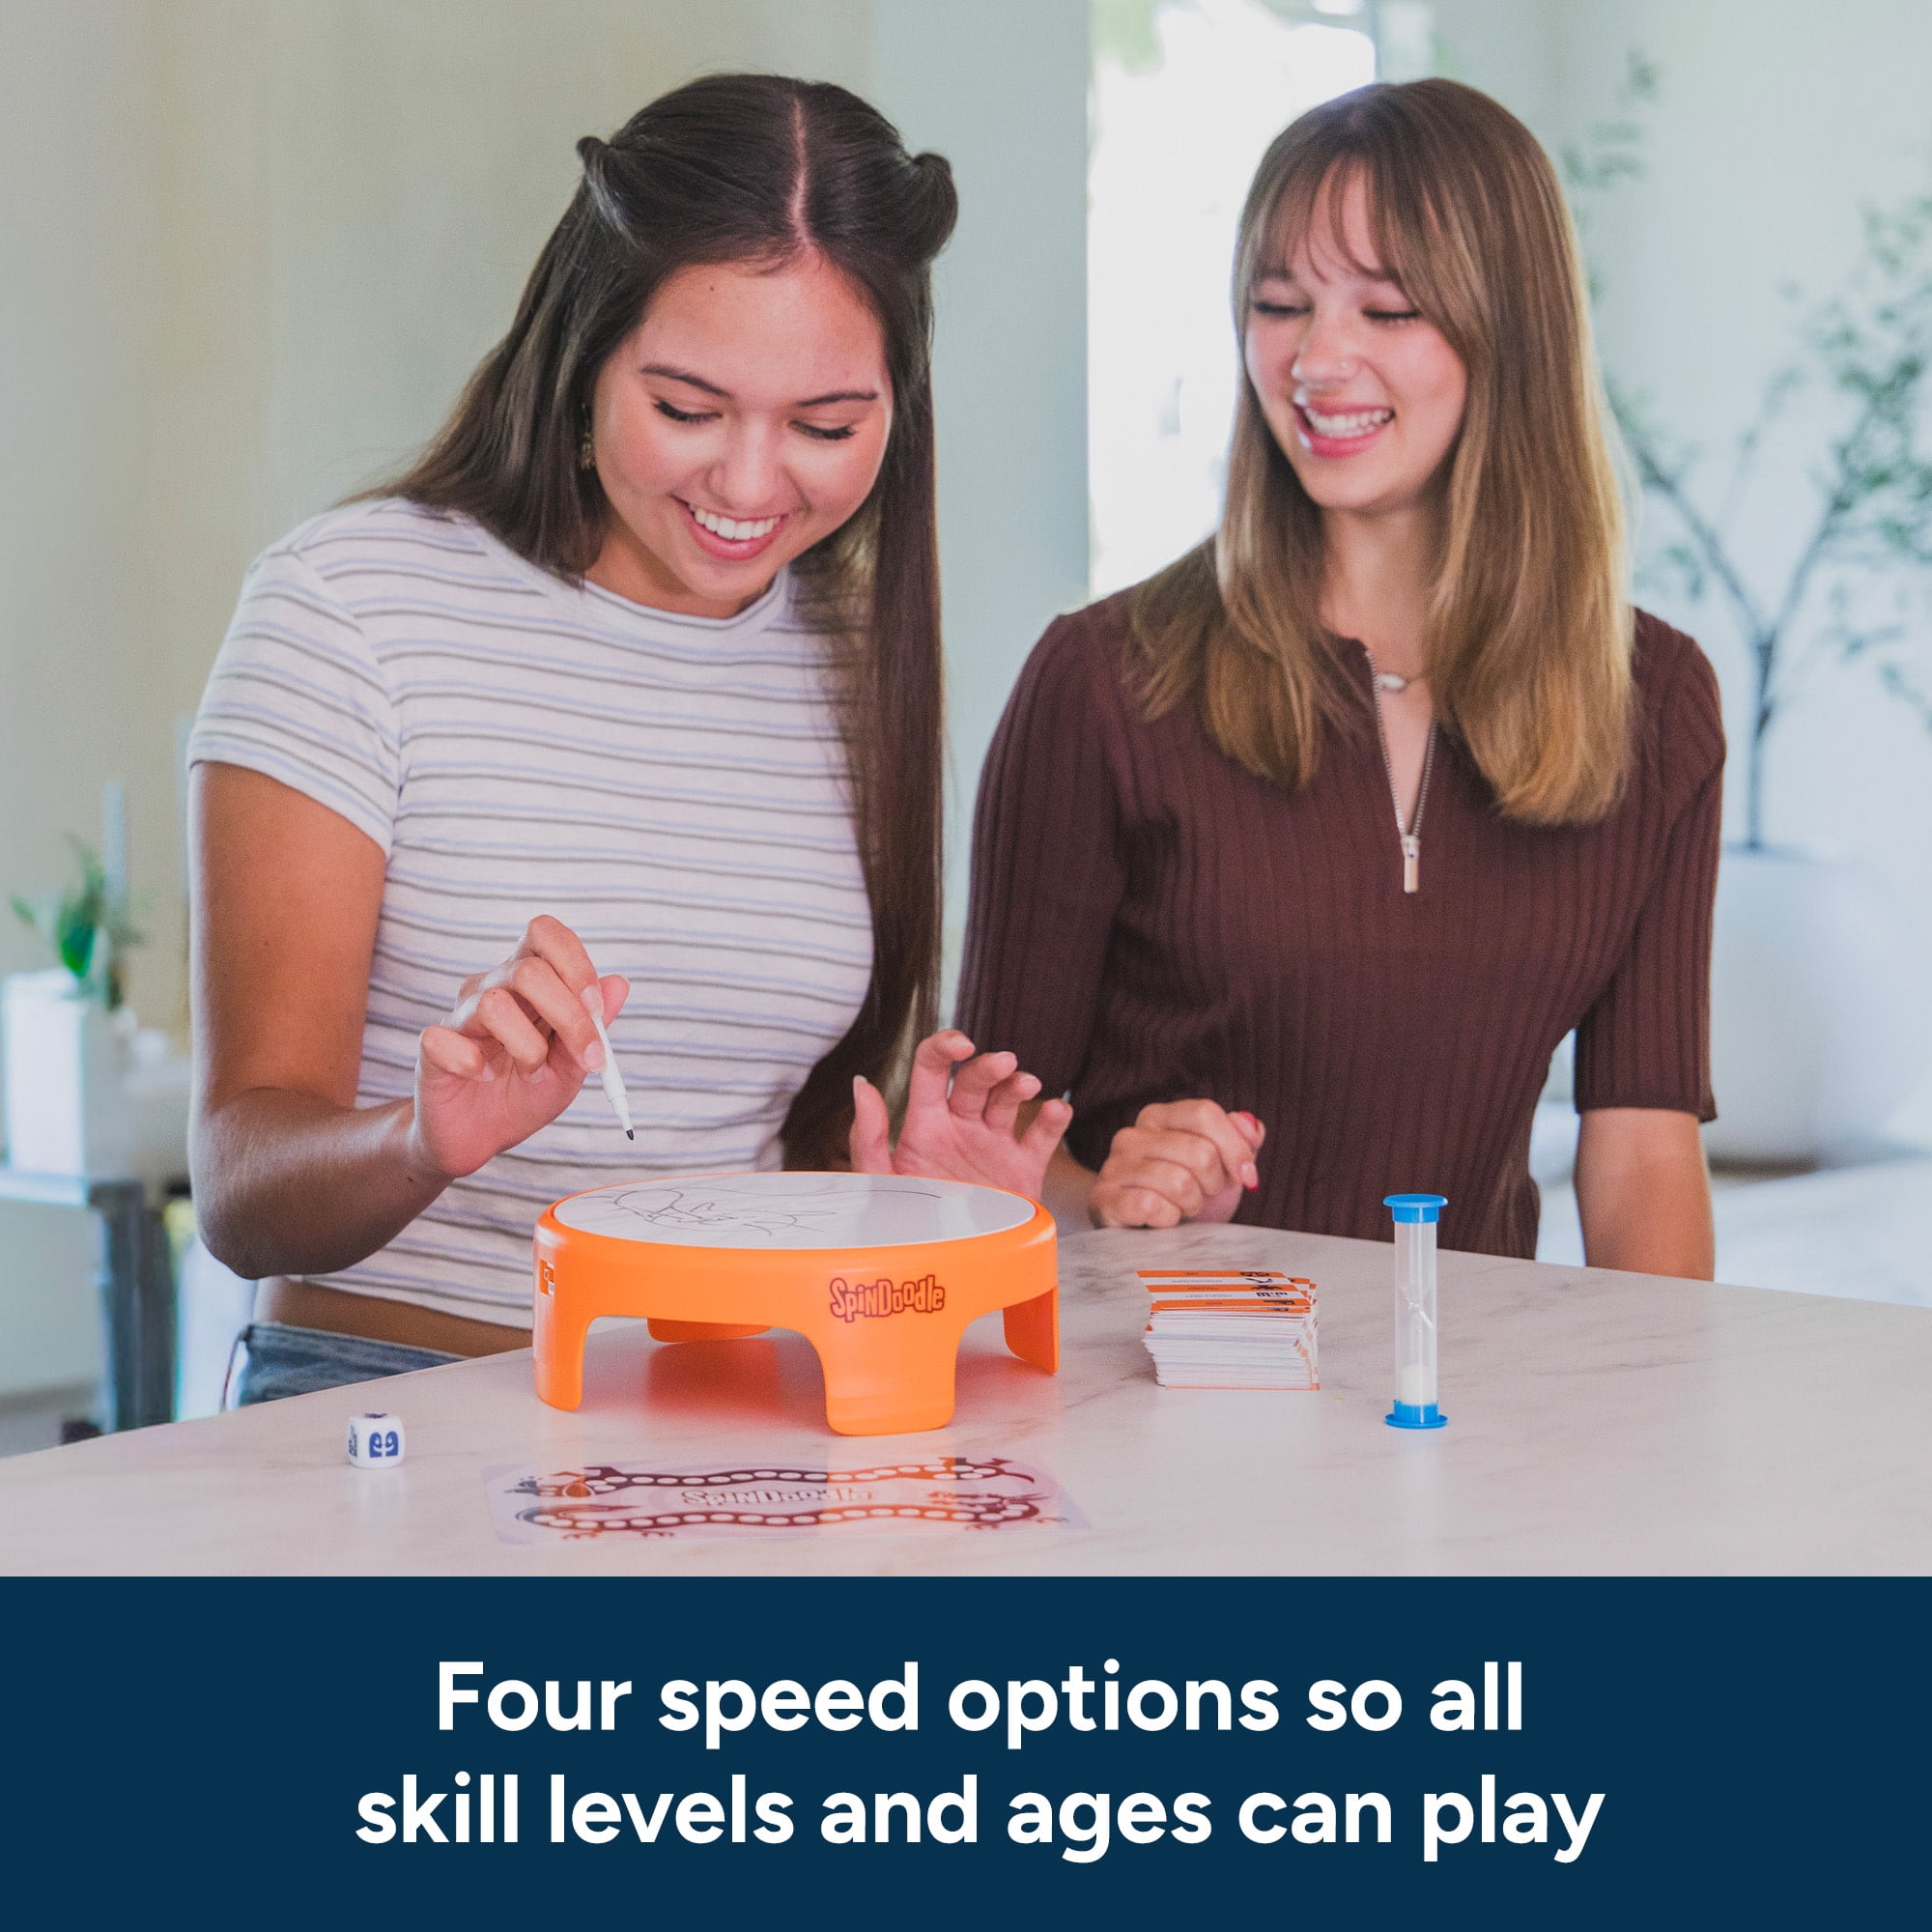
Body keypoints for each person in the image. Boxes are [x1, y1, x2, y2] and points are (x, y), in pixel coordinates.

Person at [188, 74, 1068, 1403]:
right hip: (389, 1396)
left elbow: (758, 1160)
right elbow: (241, 1193)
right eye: (687, 409)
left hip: (738, 1412)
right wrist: (424, 1139)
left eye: (826, 426)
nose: (751, 484)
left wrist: (919, 1213)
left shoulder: (852, 652)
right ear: (581, 361)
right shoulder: (349, 606)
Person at [958, 79, 1721, 1276]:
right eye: (1279, 304)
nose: (1315, 359)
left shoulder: (1655, 703)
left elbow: (1641, 1151)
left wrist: (1665, 1391)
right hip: (1161, 1370)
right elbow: (981, 1156)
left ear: (1510, 332)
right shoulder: (1102, 682)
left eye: (1386, 308)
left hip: (1466, 1374)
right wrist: (1112, 1195)